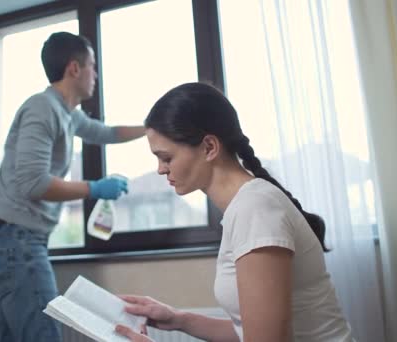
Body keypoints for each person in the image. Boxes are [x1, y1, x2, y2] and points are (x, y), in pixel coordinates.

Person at [114, 82, 354, 342]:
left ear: (209, 147)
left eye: (167, 158)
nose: (161, 169)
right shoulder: (245, 207)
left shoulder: (255, 209)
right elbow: (250, 332)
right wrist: (179, 319)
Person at [0, 32, 145, 342]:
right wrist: (94, 188)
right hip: (16, 242)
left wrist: (152, 128)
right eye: (92, 66)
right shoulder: (43, 108)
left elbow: (107, 132)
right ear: (74, 69)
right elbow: (33, 183)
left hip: (9, 243)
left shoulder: (68, 114)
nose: (96, 74)